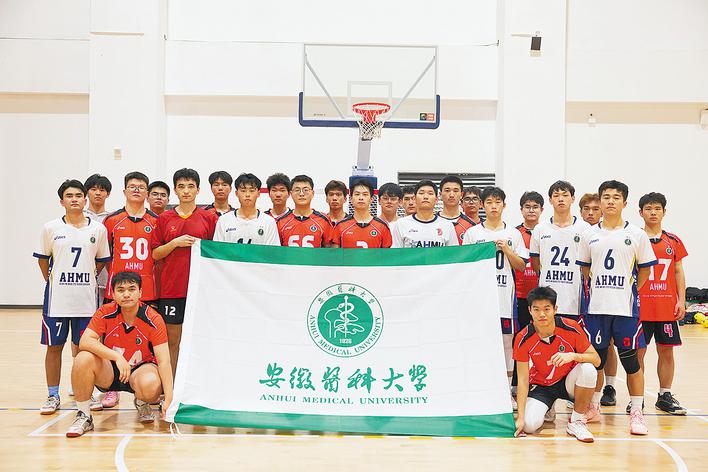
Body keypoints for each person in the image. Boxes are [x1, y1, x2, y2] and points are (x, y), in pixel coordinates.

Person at [577, 180, 657, 435]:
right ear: (600, 201)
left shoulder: (637, 234)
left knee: (631, 362)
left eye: (616, 197)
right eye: (606, 197)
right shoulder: (589, 234)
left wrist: (629, 290)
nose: (610, 201)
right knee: (597, 362)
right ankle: (593, 407)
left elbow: (645, 270)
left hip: (625, 309)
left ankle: (637, 412)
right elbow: (585, 268)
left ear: (625, 203)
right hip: (597, 309)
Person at [33, 180, 111, 415]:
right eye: (69, 196)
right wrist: (54, 280)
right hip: (57, 301)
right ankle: (52, 395)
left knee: (85, 350)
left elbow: (100, 262)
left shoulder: (98, 230)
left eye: (78, 195)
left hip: (86, 302)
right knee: (54, 347)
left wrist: (86, 278)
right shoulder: (50, 228)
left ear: (85, 200)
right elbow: (43, 260)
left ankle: (86, 393)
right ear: (62, 201)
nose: (74, 199)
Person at [65, 271, 173, 437]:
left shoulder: (153, 318)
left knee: (151, 384)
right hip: (110, 370)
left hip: (140, 369)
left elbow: (164, 361)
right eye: (121, 290)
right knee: (82, 358)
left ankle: (142, 401)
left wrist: (170, 398)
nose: (126, 294)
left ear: (140, 293)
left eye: (132, 289)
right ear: (113, 294)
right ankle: (84, 415)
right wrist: (117, 357)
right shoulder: (105, 312)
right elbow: (85, 341)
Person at [463, 186, 527, 401]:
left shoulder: (513, 234)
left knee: (507, 343)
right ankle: (479, 387)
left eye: (497, 202)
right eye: (489, 202)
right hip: (479, 298)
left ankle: (506, 391)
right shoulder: (473, 233)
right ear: (482, 205)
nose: (493, 206)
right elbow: (465, 265)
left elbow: (521, 266)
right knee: (478, 341)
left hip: (504, 297)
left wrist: (507, 250)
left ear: (504, 205)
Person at [101, 172, 159, 408]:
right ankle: (111, 388)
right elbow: (105, 255)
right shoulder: (112, 220)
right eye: (132, 186)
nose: (136, 190)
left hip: (147, 292)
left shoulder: (156, 220)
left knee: (145, 344)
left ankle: (142, 394)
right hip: (116, 292)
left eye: (141, 187)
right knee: (111, 340)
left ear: (147, 193)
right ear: (124, 191)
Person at [152, 168, 218, 376]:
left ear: (198, 190)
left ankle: (198, 383)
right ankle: (171, 386)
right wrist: (174, 243)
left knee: (201, 339)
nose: (186, 191)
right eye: (181, 187)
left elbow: (215, 253)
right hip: (172, 289)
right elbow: (155, 254)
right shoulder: (164, 218)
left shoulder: (209, 218)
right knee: (173, 340)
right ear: (175, 190)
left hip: (200, 289)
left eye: (190, 186)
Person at [514, 286, 600, 443]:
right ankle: (548, 407)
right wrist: (520, 417)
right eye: (536, 309)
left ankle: (576, 422)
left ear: (555, 309)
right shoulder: (522, 338)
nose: (542, 314)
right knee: (529, 425)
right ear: (529, 310)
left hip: (568, 382)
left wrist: (572, 356)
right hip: (542, 386)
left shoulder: (571, 327)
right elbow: (523, 380)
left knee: (588, 369)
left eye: (546, 309)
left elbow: (596, 359)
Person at [637, 192, 688, 415]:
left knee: (666, 352)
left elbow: (678, 271)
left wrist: (681, 301)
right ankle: (636, 398)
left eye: (657, 208)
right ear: (640, 212)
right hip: (640, 308)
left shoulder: (673, 241)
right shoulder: (635, 238)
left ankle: (665, 395)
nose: (653, 213)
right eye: (648, 209)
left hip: (666, 308)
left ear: (664, 212)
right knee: (637, 353)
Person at [530, 181, 589, 322]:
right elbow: (535, 263)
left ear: (573, 198)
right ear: (550, 200)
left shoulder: (585, 228)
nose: (561, 199)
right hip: (546, 299)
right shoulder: (540, 229)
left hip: (574, 298)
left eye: (565, 195)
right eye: (556, 196)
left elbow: (588, 264)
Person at [579, 192, 617, 406]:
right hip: (578, 295)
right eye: (587, 209)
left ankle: (609, 387)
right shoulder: (580, 232)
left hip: (604, 297)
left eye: (595, 209)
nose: (591, 213)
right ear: (580, 211)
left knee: (607, 344)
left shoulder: (610, 234)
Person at [213, 173, 280, 245]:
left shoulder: (269, 222)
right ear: (236, 193)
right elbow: (218, 250)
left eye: (252, 191)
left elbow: (272, 251)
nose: (247, 195)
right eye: (243, 191)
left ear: (258, 193)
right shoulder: (223, 220)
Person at [391, 180, 458, 248]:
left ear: (436, 200)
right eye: (421, 193)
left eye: (430, 193)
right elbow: (395, 253)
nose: (425, 197)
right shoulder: (401, 224)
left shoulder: (447, 225)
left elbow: (454, 253)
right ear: (415, 198)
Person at [331, 179, 392, 248]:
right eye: (357, 194)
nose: (361, 198)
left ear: (371, 199)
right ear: (351, 199)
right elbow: (335, 253)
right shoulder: (340, 225)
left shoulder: (382, 226)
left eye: (365, 194)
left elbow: (387, 254)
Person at [277, 175, 332, 247]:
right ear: (291, 194)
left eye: (305, 190)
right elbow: (276, 250)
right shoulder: (281, 222)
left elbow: (329, 250)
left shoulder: (324, 220)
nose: (301, 194)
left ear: (312, 193)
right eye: (297, 190)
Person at [515, 191, 543, 330]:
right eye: (527, 207)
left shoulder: (546, 232)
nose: (531, 210)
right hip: (519, 294)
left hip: (541, 293)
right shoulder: (514, 233)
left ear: (541, 210)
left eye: (535, 207)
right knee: (521, 333)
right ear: (521, 210)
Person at [84, 174, 112, 305]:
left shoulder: (112, 218)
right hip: (84, 275)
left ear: (108, 194)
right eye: (93, 189)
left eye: (102, 190)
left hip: (106, 277)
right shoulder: (79, 217)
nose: (98, 193)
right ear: (87, 192)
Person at [437, 175, 476, 245]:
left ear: (461, 195)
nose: (451, 195)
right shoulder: (431, 223)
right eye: (447, 190)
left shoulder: (472, 225)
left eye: (455, 191)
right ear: (440, 194)